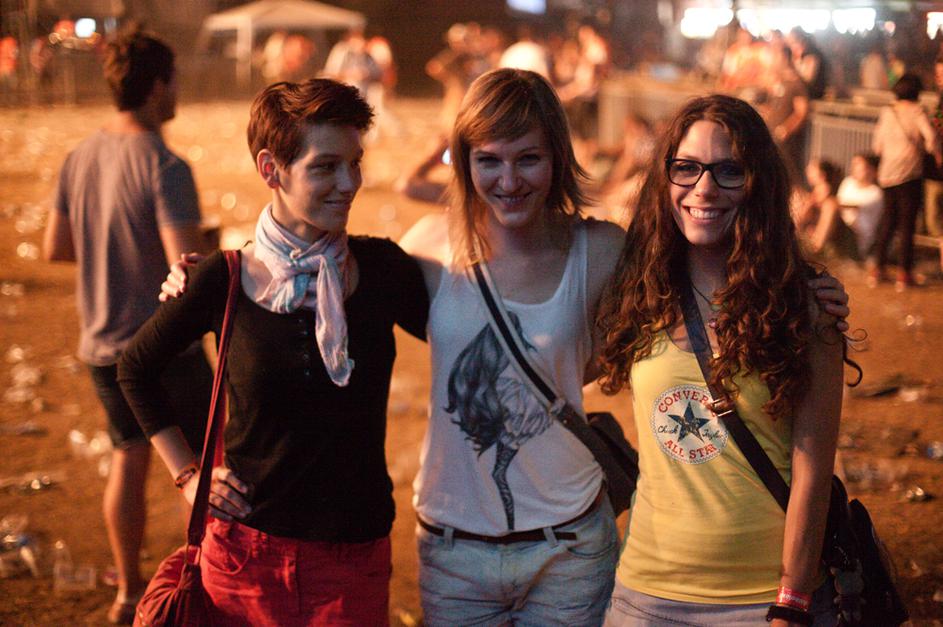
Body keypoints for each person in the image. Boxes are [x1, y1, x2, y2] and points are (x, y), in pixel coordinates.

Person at [117, 79, 428, 624]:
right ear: (271, 169)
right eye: (325, 167)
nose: (349, 184)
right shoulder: (222, 278)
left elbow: (472, 332)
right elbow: (136, 369)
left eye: (354, 163)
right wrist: (189, 477)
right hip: (244, 559)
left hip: (351, 565)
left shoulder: (383, 270)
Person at [597, 94, 851, 626]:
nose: (704, 188)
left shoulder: (804, 308)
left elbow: (812, 473)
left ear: (759, 183)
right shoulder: (636, 293)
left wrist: (792, 602)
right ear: (664, 177)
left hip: (762, 599)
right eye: (686, 167)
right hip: (645, 595)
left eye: (729, 170)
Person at [400, 67, 626, 626]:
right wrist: (214, 277)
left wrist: (812, 292)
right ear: (464, 161)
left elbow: (692, 290)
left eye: (528, 159)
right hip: (453, 548)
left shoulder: (601, 251)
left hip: (569, 546)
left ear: (557, 158)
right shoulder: (426, 248)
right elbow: (331, 291)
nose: (509, 180)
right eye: (488, 160)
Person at [41, 30, 212, 625]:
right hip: (164, 350)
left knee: (128, 457)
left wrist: (110, 248)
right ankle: (205, 583)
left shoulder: (79, 156)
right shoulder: (165, 165)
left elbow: (57, 247)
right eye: (175, 81)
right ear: (159, 85)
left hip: (101, 345)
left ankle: (129, 592)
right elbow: (184, 266)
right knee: (203, 466)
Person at [870, 72, 941, 289]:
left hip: (887, 174)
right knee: (907, 224)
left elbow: (877, 146)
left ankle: (877, 269)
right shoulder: (918, 112)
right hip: (909, 174)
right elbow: (931, 139)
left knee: (887, 221)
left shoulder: (887, 112)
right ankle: (904, 273)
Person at [799, 158, 860, 259]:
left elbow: (854, 206)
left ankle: (813, 248)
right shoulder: (811, 195)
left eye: (812, 169)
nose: (807, 171)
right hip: (812, 238)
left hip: (833, 242)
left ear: (822, 174)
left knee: (829, 206)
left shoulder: (834, 196)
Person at [837, 152, 884, 259]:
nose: (853, 168)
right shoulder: (848, 182)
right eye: (853, 164)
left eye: (858, 165)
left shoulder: (876, 193)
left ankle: (816, 246)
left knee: (829, 207)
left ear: (871, 170)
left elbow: (842, 205)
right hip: (843, 228)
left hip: (858, 236)